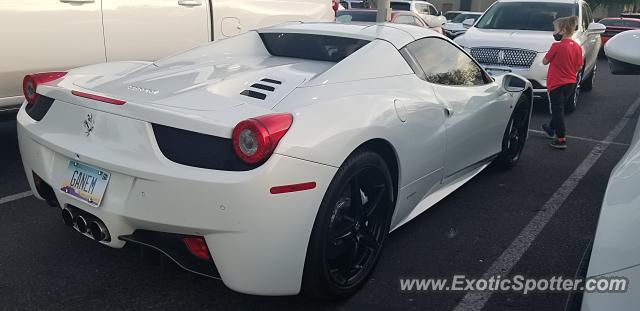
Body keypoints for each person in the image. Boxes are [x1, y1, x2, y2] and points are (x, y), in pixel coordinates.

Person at [541, 16, 583, 150]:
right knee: (559, 108)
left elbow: (545, 61)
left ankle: (561, 138)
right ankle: (551, 129)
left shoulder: (556, 46)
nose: (554, 33)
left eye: (555, 30)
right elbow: (579, 67)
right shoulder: (577, 47)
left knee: (557, 111)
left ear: (563, 30)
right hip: (570, 83)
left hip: (556, 84)